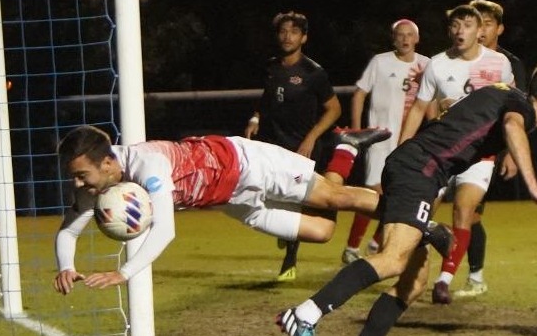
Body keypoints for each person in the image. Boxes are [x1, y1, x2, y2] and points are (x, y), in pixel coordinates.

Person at [276, 61, 537, 336]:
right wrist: (534, 186)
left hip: (415, 167)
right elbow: (512, 126)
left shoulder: (504, 93)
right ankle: (306, 314)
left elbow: (455, 107)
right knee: (393, 259)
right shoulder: (519, 108)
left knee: (414, 281)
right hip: (419, 171)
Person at [52, 124, 403, 293]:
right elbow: (68, 230)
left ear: (108, 163)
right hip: (232, 201)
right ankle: (346, 148)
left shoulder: (148, 164)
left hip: (250, 165)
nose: (79, 185)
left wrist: (124, 273)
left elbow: (165, 230)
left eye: (82, 176)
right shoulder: (98, 185)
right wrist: (66, 266)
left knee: (335, 199)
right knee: (322, 231)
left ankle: (412, 215)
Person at [397, 3, 514, 305]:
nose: (461, 31)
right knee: (422, 211)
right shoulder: (437, 64)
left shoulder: (499, 63)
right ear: (449, 30)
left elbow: (512, 108)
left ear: (479, 31)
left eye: (468, 25)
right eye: (455, 25)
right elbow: (419, 108)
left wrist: (511, 150)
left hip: (480, 155)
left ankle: (444, 280)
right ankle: (411, 267)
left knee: (464, 209)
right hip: (442, 152)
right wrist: (402, 148)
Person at [245, 11, 368, 281]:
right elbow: (266, 99)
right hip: (273, 144)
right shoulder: (271, 67)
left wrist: (311, 138)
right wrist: (256, 118)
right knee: (272, 196)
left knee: (298, 199)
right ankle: (286, 233)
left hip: (301, 147)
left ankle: (290, 257)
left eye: (294, 32)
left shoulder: (314, 73)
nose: (287, 36)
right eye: (283, 31)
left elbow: (334, 109)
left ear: (304, 38)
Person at [455, 0, 530, 299]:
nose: (482, 30)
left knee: (471, 212)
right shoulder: (460, 59)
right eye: (478, 23)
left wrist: (510, 152)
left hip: (489, 148)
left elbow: (518, 110)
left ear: (500, 28)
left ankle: (473, 277)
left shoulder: (509, 64)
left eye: (488, 24)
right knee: (461, 212)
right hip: (456, 145)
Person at [340, 18, 430, 264]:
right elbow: (359, 94)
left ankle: (376, 242)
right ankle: (352, 247)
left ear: (417, 39)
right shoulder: (380, 62)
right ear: (393, 39)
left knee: (398, 194)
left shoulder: (426, 65)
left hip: (408, 142)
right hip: (379, 139)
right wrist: (358, 130)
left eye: (409, 34)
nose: (405, 39)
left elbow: (430, 103)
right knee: (375, 192)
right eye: (400, 34)